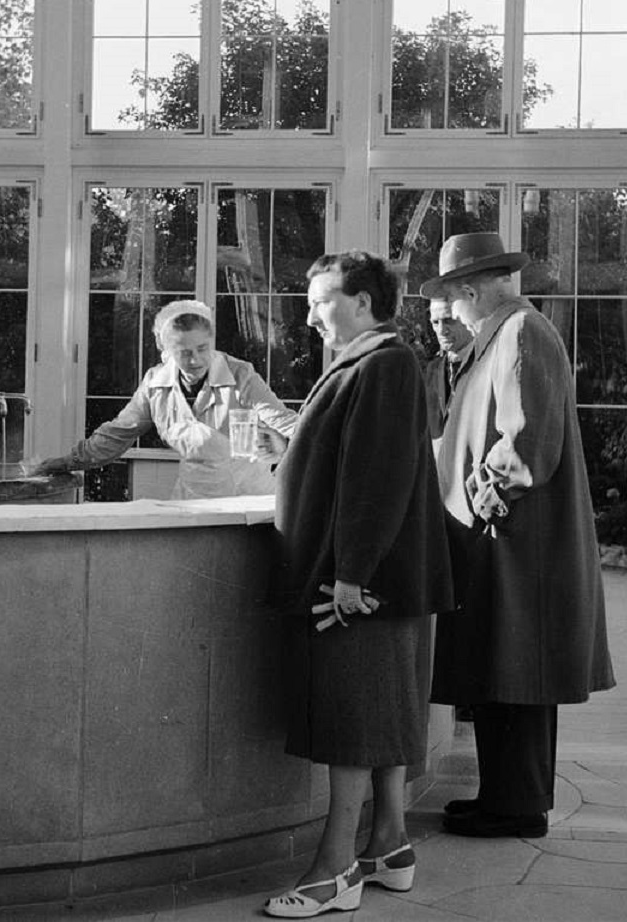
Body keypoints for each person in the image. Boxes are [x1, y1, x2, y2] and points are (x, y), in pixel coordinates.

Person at [260, 251, 453, 918]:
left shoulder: (384, 365)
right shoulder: (372, 364)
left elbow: (378, 475)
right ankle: (389, 846)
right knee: (379, 715)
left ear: (363, 302)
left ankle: (334, 869)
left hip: (359, 587)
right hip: (370, 581)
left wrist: (350, 576)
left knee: (352, 721)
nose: (311, 316)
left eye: (322, 302)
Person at [422, 232, 615, 839]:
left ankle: (518, 807)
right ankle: (505, 798)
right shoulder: (507, 334)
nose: (449, 314)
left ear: (471, 291)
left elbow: (528, 442)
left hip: (516, 543)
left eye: (451, 301)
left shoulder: (520, 334)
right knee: (505, 674)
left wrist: (480, 502)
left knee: (518, 673)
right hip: (507, 541)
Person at [37, 300, 298, 499]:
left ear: (212, 342)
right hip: (192, 499)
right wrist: (65, 462)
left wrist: (285, 442)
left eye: (202, 349)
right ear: (166, 350)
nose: (195, 360)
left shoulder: (241, 375)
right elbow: (116, 435)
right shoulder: (156, 384)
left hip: (249, 499)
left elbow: (286, 422)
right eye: (183, 352)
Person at [423, 296, 472, 441]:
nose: (441, 330)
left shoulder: (488, 363)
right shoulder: (432, 369)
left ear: (468, 318)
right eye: (435, 322)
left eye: (449, 321)